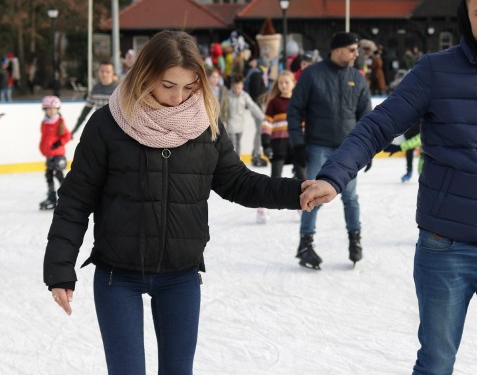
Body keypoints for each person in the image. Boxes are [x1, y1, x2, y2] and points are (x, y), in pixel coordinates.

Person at [300, 0, 477, 374]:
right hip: (446, 249)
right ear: (466, 16)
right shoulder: (435, 71)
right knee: (436, 363)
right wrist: (335, 175)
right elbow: (377, 125)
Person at [42, 30, 311, 375]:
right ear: (146, 74)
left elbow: (238, 182)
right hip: (117, 276)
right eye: (168, 85)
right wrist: (60, 269)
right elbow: (76, 200)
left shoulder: (205, 125)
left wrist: (296, 191)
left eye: (188, 87)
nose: (178, 97)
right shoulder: (108, 124)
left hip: (180, 276)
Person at [287, 31, 372, 269]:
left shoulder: (357, 77)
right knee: (312, 196)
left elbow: (366, 117)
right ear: (337, 50)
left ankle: (355, 240)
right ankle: (305, 244)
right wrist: (298, 144)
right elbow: (294, 111)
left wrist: (367, 149)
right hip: (317, 146)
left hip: (349, 150)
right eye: (352, 49)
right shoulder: (312, 75)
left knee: (350, 197)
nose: (357, 54)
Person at [256, 70, 305, 223]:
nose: (283, 85)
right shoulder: (274, 103)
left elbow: (304, 125)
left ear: (293, 84)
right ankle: (262, 206)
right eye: (280, 83)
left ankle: (302, 207)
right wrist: (265, 144)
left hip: (296, 147)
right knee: (275, 179)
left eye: (286, 82)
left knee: (302, 178)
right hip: (278, 146)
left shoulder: (299, 102)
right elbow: (266, 124)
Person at [39, 95, 72, 209]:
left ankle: (67, 196)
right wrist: (43, 148)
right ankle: (51, 196)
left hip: (58, 155)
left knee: (59, 175)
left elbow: (68, 136)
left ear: (57, 109)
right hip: (49, 155)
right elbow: (44, 137)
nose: (51, 111)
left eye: (53, 109)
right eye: (48, 109)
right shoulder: (45, 122)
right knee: (48, 175)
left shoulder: (59, 121)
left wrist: (58, 143)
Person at [71, 60, 118, 135]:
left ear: (112, 73)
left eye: (108, 72)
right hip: (100, 128)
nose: (104, 74)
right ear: (99, 72)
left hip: (115, 130)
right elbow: (85, 112)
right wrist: (74, 130)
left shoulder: (118, 90)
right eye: (102, 71)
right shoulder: (95, 89)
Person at [224, 74, 264, 155]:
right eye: (235, 88)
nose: (237, 90)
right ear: (232, 86)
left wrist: (262, 117)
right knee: (232, 144)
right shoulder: (227, 96)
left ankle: (237, 161)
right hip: (230, 124)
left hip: (240, 124)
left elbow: (253, 106)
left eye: (238, 88)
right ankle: (232, 162)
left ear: (242, 86)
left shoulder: (244, 96)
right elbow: (222, 110)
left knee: (238, 144)